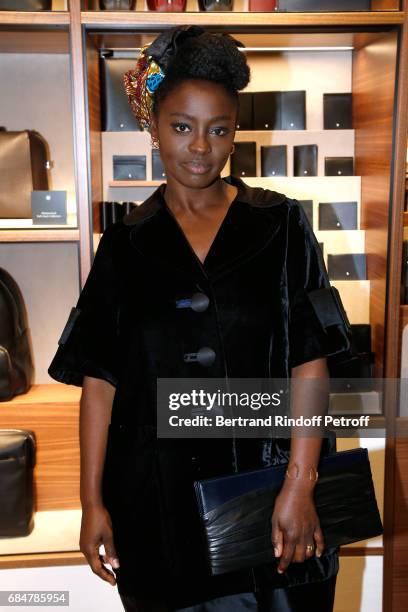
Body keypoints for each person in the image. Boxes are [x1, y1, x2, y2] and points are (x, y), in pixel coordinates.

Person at [48, 26, 352, 612]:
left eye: (218, 130)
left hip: (269, 494)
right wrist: (91, 502)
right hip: (156, 505)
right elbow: (98, 384)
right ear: (155, 126)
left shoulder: (281, 226)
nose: (199, 147)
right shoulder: (126, 245)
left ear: (234, 134)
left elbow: (311, 363)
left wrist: (299, 483)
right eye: (182, 126)